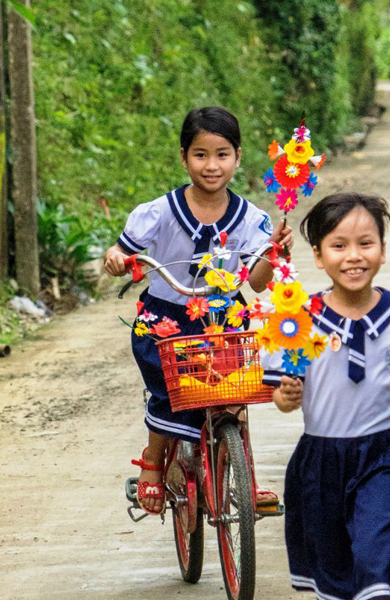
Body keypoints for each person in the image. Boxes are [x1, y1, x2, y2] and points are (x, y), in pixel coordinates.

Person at [103, 106, 293, 514]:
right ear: (184, 157)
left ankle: (242, 474)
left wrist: (274, 252)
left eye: (222, 154)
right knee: (167, 386)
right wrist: (117, 258)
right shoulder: (159, 212)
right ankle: (153, 460)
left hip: (223, 316)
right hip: (167, 316)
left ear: (238, 157)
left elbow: (256, 282)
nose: (212, 165)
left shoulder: (252, 220)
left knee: (234, 389)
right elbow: (122, 251)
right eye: (201, 155)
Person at [265, 192, 390, 600]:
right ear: (318, 255)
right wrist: (288, 395)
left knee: (376, 553)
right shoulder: (296, 320)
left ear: (383, 252)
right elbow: (282, 398)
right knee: (338, 577)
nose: (354, 256)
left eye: (366, 243)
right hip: (320, 463)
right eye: (338, 245)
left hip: (387, 456)